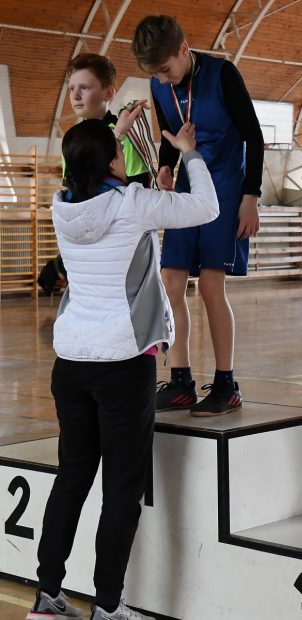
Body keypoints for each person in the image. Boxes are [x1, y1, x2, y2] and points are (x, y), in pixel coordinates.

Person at [26, 118, 218, 620]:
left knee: (72, 478)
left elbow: (105, 190)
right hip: (123, 363)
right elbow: (206, 206)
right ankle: (109, 608)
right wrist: (189, 152)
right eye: (117, 150)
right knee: (121, 490)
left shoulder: (62, 206)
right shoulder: (134, 203)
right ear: (112, 161)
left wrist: (125, 143)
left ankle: (47, 597)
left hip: (71, 362)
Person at [132, 15, 264, 416]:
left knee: (210, 285)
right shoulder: (159, 84)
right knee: (170, 281)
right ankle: (181, 381)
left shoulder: (223, 74)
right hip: (188, 190)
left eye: (166, 69)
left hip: (226, 188)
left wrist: (251, 196)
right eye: (155, 73)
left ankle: (226, 384)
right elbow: (170, 136)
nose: (163, 78)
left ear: (184, 49)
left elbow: (254, 135)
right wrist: (166, 166)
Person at [66, 53, 151, 186]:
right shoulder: (71, 138)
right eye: (71, 88)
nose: (75, 96)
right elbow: (71, 187)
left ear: (109, 93)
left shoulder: (126, 136)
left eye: (84, 87)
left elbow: (140, 189)